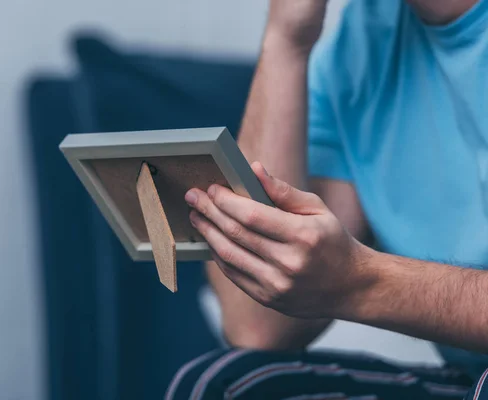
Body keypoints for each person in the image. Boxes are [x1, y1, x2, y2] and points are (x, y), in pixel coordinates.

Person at [167, 0, 488, 399]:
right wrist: (285, 40)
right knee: (229, 386)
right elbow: (259, 326)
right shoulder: (364, 38)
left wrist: (362, 282)